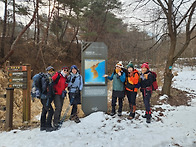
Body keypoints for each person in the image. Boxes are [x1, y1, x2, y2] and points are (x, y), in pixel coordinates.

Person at [40, 66, 55, 132]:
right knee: (51, 111)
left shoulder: (49, 78)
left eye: (52, 71)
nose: (51, 72)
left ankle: (42, 126)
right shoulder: (46, 78)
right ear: (47, 71)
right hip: (45, 97)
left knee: (44, 110)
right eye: (49, 71)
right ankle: (48, 126)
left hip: (45, 97)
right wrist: (46, 92)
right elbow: (44, 88)